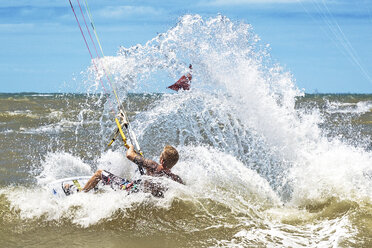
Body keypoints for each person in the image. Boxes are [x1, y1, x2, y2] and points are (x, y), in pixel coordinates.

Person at [74, 144, 184, 197]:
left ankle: (80, 194)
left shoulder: (153, 166)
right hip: (148, 197)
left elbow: (129, 155)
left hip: (134, 192)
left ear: (162, 160)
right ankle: (98, 188)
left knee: (99, 173)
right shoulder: (175, 179)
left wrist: (131, 147)